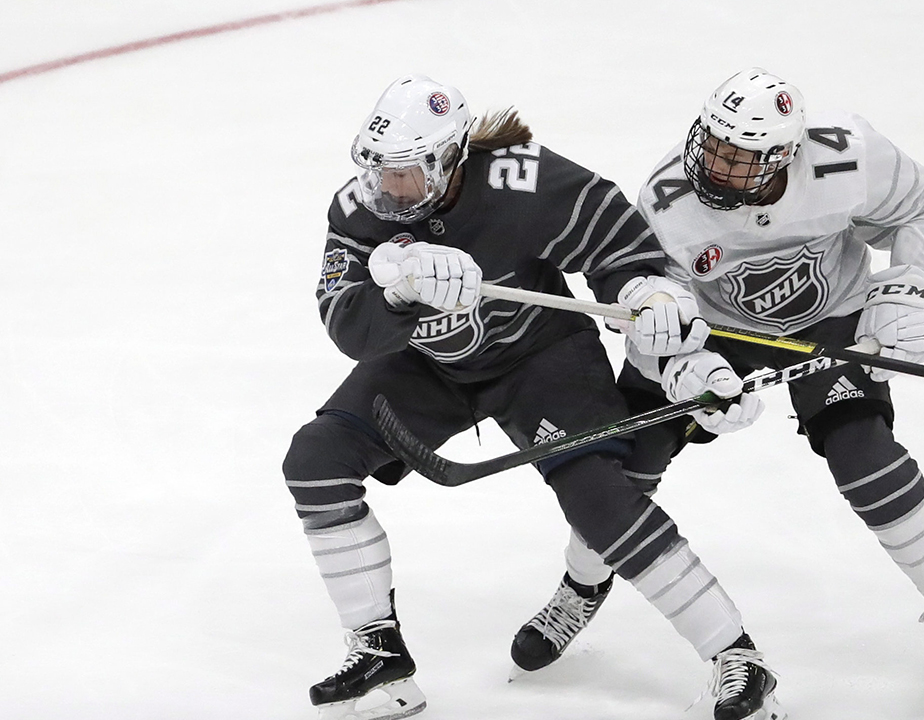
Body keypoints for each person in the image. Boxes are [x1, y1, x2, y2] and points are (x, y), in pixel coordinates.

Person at [281, 74, 784, 720]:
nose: (387, 187)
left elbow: (616, 239)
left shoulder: (520, 182)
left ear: (448, 159)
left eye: (405, 172)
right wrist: (398, 297)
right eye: (378, 169)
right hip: (428, 366)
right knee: (315, 461)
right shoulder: (358, 209)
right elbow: (347, 326)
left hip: (540, 361)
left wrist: (645, 292)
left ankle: (737, 656)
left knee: (600, 500)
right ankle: (380, 658)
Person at [514, 68, 924, 711]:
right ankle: (583, 584)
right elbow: (655, 313)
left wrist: (906, 289)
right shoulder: (666, 201)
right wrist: (686, 368)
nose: (714, 166)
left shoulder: (848, 158)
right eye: (711, 145)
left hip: (831, 319)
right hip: (709, 330)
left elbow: (921, 211)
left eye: (738, 158)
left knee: (862, 453)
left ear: (783, 157)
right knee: (622, 468)